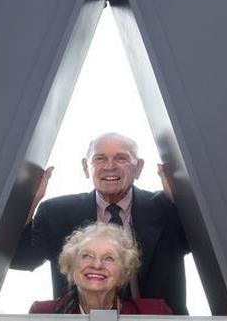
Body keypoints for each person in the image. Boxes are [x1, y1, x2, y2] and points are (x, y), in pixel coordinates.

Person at [12, 133, 190, 315]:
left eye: (121, 158)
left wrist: (182, 202)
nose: (109, 166)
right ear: (85, 167)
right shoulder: (56, 212)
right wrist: (29, 203)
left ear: (139, 167)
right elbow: (21, 260)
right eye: (99, 158)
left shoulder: (167, 207)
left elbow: (208, 249)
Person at [29, 223, 173, 314]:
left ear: (124, 271)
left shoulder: (154, 312)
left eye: (109, 258)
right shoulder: (42, 313)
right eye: (87, 256)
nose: (97, 265)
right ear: (71, 266)